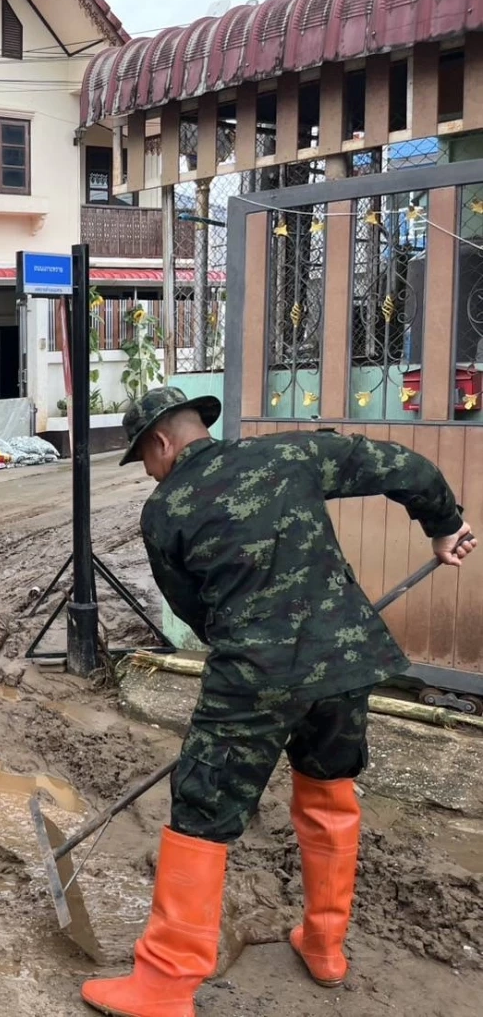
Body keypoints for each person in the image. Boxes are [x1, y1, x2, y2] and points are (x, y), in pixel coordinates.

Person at [82, 387, 475, 1017]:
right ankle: (324, 946)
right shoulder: (290, 455)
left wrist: (259, 650)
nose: (148, 472)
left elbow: (195, 611)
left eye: (144, 459)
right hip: (346, 663)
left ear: (160, 441)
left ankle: (164, 984)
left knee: (202, 810)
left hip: (254, 676)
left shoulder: (165, 509)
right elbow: (406, 468)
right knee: (328, 790)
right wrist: (445, 526)